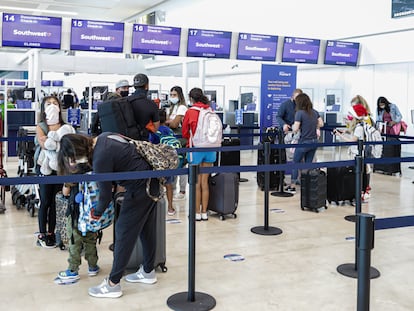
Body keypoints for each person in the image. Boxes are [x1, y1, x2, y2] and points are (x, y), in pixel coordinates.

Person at [57, 132, 159, 298]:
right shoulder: (104, 138)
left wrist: (95, 214)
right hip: (150, 184)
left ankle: (113, 284)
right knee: (146, 230)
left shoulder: (100, 156)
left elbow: (104, 196)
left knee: (123, 233)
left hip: (139, 190)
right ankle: (148, 271)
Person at [35, 95, 75, 248]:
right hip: (45, 167)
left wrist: (55, 142)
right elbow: (44, 144)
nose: (52, 106)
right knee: (45, 200)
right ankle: (42, 233)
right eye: (48, 104)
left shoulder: (66, 126)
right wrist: (57, 142)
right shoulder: (41, 126)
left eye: (55, 103)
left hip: (61, 167)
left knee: (56, 200)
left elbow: (69, 143)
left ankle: (52, 232)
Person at [182, 87, 216, 221]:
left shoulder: (190, 112)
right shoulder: (210, 110)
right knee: (204, 182)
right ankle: (204, 212)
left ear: (191, 98)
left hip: (195, 148)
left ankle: (196, 213)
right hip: (210, 148)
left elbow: (185, 132)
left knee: (195, 182)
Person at [56, 181, 100, 281]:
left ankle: (72, 269)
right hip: (90, 213)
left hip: (74, 213)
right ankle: (93, 266)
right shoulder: (92, 171)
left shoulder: (71, 174)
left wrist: (66, 184)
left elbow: (65, 193)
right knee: (90, 240)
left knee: (74, 241)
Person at [286, 93, 324, 193]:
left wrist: (293, 126)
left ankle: (292, 185)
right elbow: (321, 123)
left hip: (304, 142)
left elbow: (295, 128)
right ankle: (307, 184)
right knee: (308, 163)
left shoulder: (299, 113)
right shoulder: (314, 112)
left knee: (295, 163)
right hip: (314, 142)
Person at [333, 103, 372, 201]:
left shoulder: (359, 128)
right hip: (355, 153)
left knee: (358, 174)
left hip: (357, 154)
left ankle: (359, 193)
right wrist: (344, 132)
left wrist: (339, 135)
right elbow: (351, 132)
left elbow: (353, 140)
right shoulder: (358, 126)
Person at [149, 108, 177, 216]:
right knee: (169, 184)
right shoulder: (169, 130)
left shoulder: (154, 131)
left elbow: (150, 144)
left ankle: (155, 205)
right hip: (169, 159)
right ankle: (170, 207)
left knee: (155, 183)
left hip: (157, 160)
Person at [165, 86, 188, 200]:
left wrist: (169, 122)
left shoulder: (182, 108)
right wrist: (170, 121)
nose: (172, 97)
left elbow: (174, 124)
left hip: (181, 139)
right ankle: (172, 189)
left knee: (181, 164)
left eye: (174, 95)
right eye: (171, 95)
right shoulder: (172, 107)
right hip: (172, 139)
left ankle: (182, 190)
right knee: (173, 164)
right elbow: (169, 122)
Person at [131, 73, 160, 138]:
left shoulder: (126, 101)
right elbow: (155, 129)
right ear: (146, 86)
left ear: (134, 86)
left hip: (126, 140)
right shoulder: (152, 104)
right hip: (142, 141)